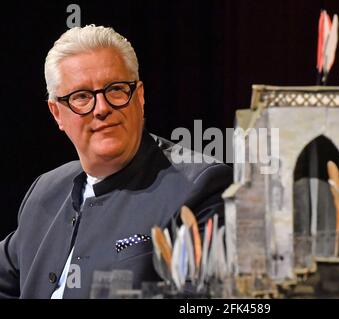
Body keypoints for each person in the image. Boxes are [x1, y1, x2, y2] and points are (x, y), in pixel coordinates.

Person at [0, 25, 232, 298]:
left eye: (116, 90)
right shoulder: (45, 191)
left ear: (140, 97)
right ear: (57, 114)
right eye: (82, 97)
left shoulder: (199, 186)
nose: (102, 109)